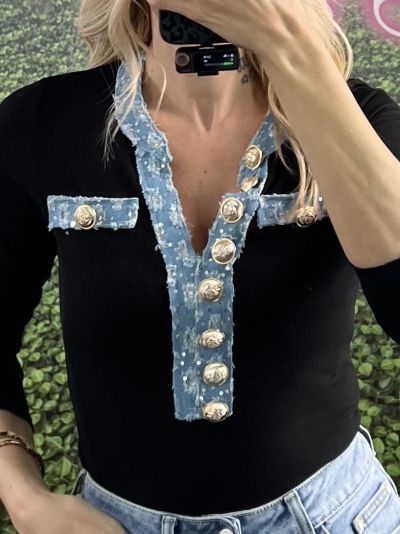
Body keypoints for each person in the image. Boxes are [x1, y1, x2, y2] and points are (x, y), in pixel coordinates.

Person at [0, 0, 400, 532]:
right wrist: (27, 501)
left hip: (335, 514)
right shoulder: (44, 122)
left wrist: (294, 51)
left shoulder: (363, 118)